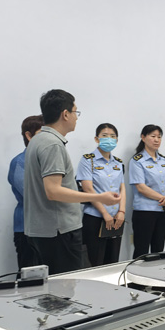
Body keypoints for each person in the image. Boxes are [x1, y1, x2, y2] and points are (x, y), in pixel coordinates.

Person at [24, 90, 121, 274]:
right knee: (65, 286)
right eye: (76, 112)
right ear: (65, 114)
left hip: (42, 229)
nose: (77, 117)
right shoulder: (52, 144)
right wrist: (99, 197)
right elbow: (53, 191)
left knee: (52, 286)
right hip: (59, 231)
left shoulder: (38, 140)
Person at [76, 123, 126, 266]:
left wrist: (122, 212)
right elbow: (88, 189)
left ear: (117, 140)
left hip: (116, 219)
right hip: (95, 218)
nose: (109, 139)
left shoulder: (118, 163)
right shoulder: (88, 160)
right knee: (94, 262)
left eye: (112, 136)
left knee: (112, 262)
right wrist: (104, 213)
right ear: (96, 139)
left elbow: (122, 189)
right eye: (105, 136)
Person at [130, 125, 165, 258]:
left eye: (159, 137)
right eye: (153, 136)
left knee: (159, 249)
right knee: (141, 250)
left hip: (162, 210)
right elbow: (141, 187)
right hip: (144, 211)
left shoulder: (164, 160)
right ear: (143, 138)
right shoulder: (137, 161)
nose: (156, 140)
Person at [8, 115, 44, 269]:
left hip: (48, 229)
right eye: (42, 134)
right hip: (27, 229)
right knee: (31, 275)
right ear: (29, 135)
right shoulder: (20, 162)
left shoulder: (47, 159)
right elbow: (34, 196)